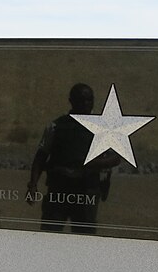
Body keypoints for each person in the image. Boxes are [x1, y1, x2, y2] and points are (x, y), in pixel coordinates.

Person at [27, 83, 120, 234]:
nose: (85, 104)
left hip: (86, 189)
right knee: (50, 236)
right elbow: (41, 157)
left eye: (89, 100)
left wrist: (92, 163)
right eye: (81, 100)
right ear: (71, 101)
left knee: (83, 240)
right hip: (59, 189)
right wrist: (32, 185)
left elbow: (116, 158)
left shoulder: (102, 129)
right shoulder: (57, 126)